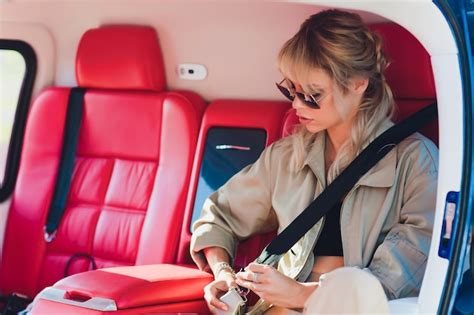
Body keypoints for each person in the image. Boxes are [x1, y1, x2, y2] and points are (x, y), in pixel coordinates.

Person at [190, 9, 438, 314]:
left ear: (359, 83)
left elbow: (398, 276)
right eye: (291, 89)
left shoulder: (416, 162)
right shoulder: (286, 156)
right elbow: (218, 215)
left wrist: (302, 295)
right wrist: (224, 274)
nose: (296, 105)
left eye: (312, 94)